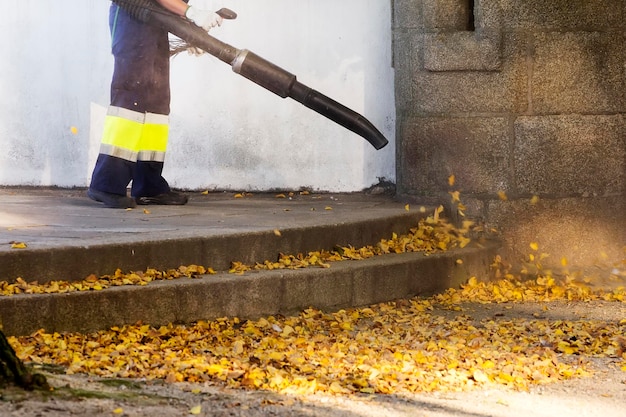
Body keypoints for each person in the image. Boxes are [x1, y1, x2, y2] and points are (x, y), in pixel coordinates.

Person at [88, 0, 225, 208]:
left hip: (154, 22)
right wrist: (191, 12)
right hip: (132, 17)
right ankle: (106, 184)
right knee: (129, 103)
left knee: (157, 106)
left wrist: (193, 33)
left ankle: (149, 186)